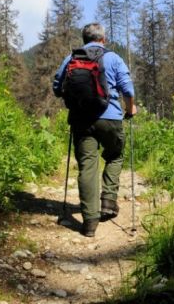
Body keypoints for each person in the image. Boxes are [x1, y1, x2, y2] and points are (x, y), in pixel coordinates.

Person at [53, 23, 137, 237]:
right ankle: (108, 202)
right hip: (110, 118)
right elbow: (127, 88)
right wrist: (130, 108)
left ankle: (89, 222)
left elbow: (57, 87)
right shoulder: (113, 58)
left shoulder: (71, 58)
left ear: (84, 39)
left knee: (87, 167)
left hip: (81, 120)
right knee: (115, 155)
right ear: (103, 39)